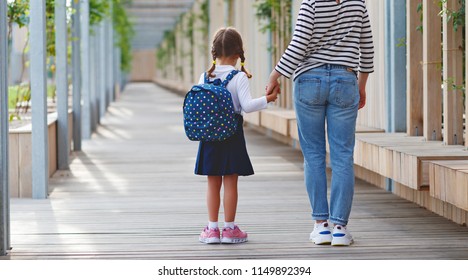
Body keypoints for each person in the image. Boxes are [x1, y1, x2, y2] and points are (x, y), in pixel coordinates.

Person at [266, 0, 374, 246]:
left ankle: (321, 227)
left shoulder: (311, 3)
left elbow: (299, 44)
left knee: (313, 155)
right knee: (342, 156)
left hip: (309, 80)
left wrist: (275, 74)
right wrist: (362, 86)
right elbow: (366, 48)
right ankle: (340, 228)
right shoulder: (358, 4)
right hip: (346, 80)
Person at [196, 27, 279, 244]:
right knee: (231, 182)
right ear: (237, 54)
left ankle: (212, 230)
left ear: (214, 52)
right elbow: (248, 106)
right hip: (232, 134)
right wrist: (267, 99)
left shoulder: (204, 76)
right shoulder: (238, 76)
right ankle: (230, 229)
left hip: (209, 136)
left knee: (212, 182)